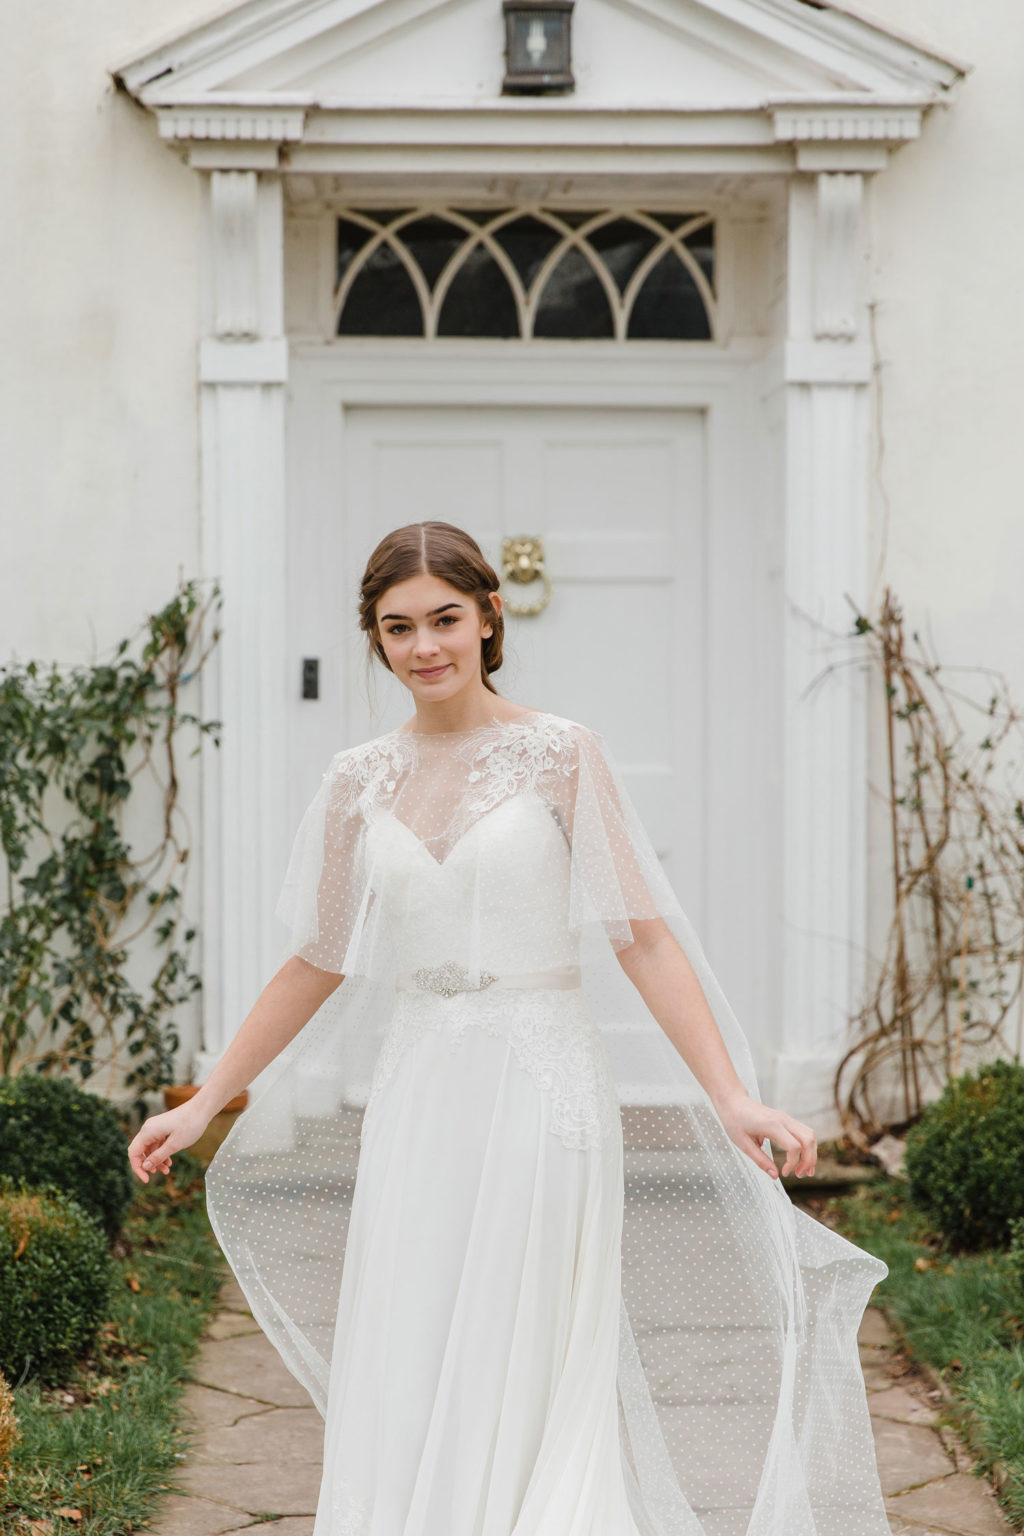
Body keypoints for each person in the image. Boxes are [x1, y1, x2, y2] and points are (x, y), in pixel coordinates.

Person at [128, 520, 891, 1535]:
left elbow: (645, 941)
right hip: (420, 1085)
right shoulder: (358, 780)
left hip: (540, 1081)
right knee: (416, 1326)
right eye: (397, 627)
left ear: (489, 617)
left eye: (445, 618)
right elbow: (315, 961)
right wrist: (209, 1099)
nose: (423, 646)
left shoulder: (560, 754)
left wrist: (730, 1093)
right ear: (376, 639)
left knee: (523, 1329)